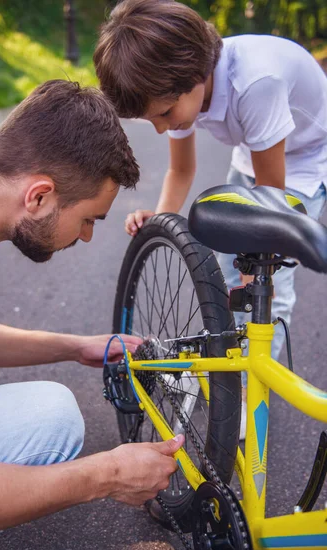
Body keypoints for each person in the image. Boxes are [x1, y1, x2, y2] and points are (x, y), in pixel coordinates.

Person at [0, 79, 185, 550]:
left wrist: (72, 345)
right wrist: (105, 475)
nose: (86, 237)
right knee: (57, 421)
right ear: (40, 196)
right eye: (89, 218)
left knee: (50, 408)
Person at [94, 0, 327, 438]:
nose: (162, 128)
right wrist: (160, 225)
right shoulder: (178, 85)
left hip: (302, 163)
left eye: (164, 115)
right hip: (254, 148)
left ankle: (248, 387)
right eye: (152, 120)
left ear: (197, 79)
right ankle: (222, 361)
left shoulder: (257, 82)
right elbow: (181, 170)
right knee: (225, 265)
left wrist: (257, 266)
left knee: (266, 285)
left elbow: (270, 199)